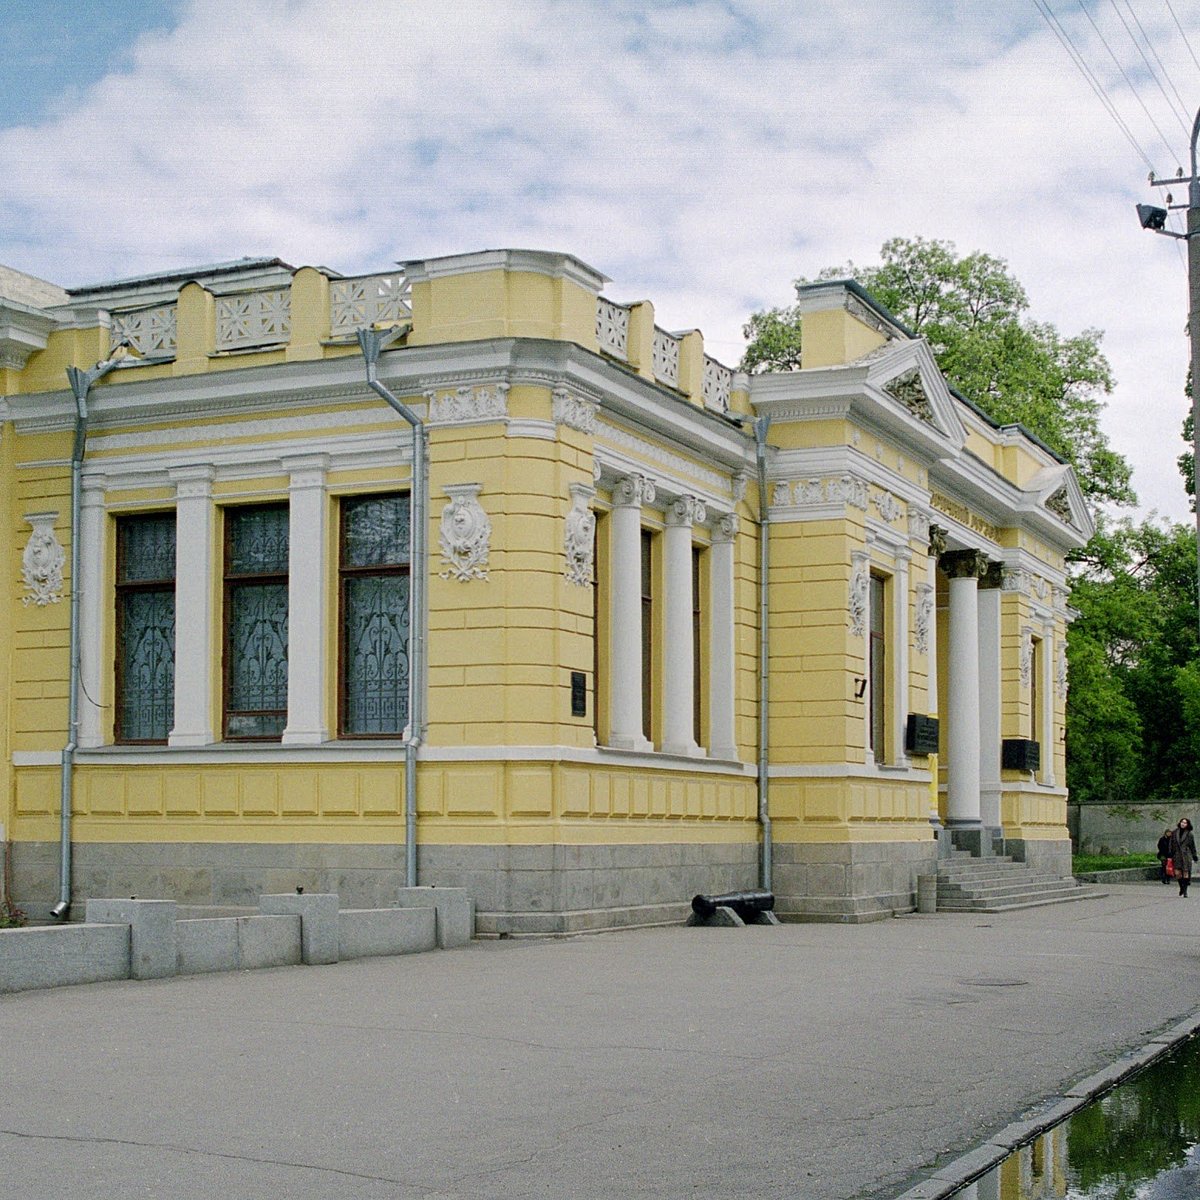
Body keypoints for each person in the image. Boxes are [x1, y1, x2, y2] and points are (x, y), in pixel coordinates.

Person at [1170, 818, 1198, 897]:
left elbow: (1192, 846)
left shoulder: (1189, 834)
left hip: (1186, 855)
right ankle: (1181, 887)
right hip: (1177, 855)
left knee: (1185, 872)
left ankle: (1185, 891)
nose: (1183, 824)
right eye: (1182, 822)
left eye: (1185, 823)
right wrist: (1170, 853)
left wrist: (1194, 855)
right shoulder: (1174, 832)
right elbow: (1171, 843)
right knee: (1177, 873)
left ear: (1187, 824)